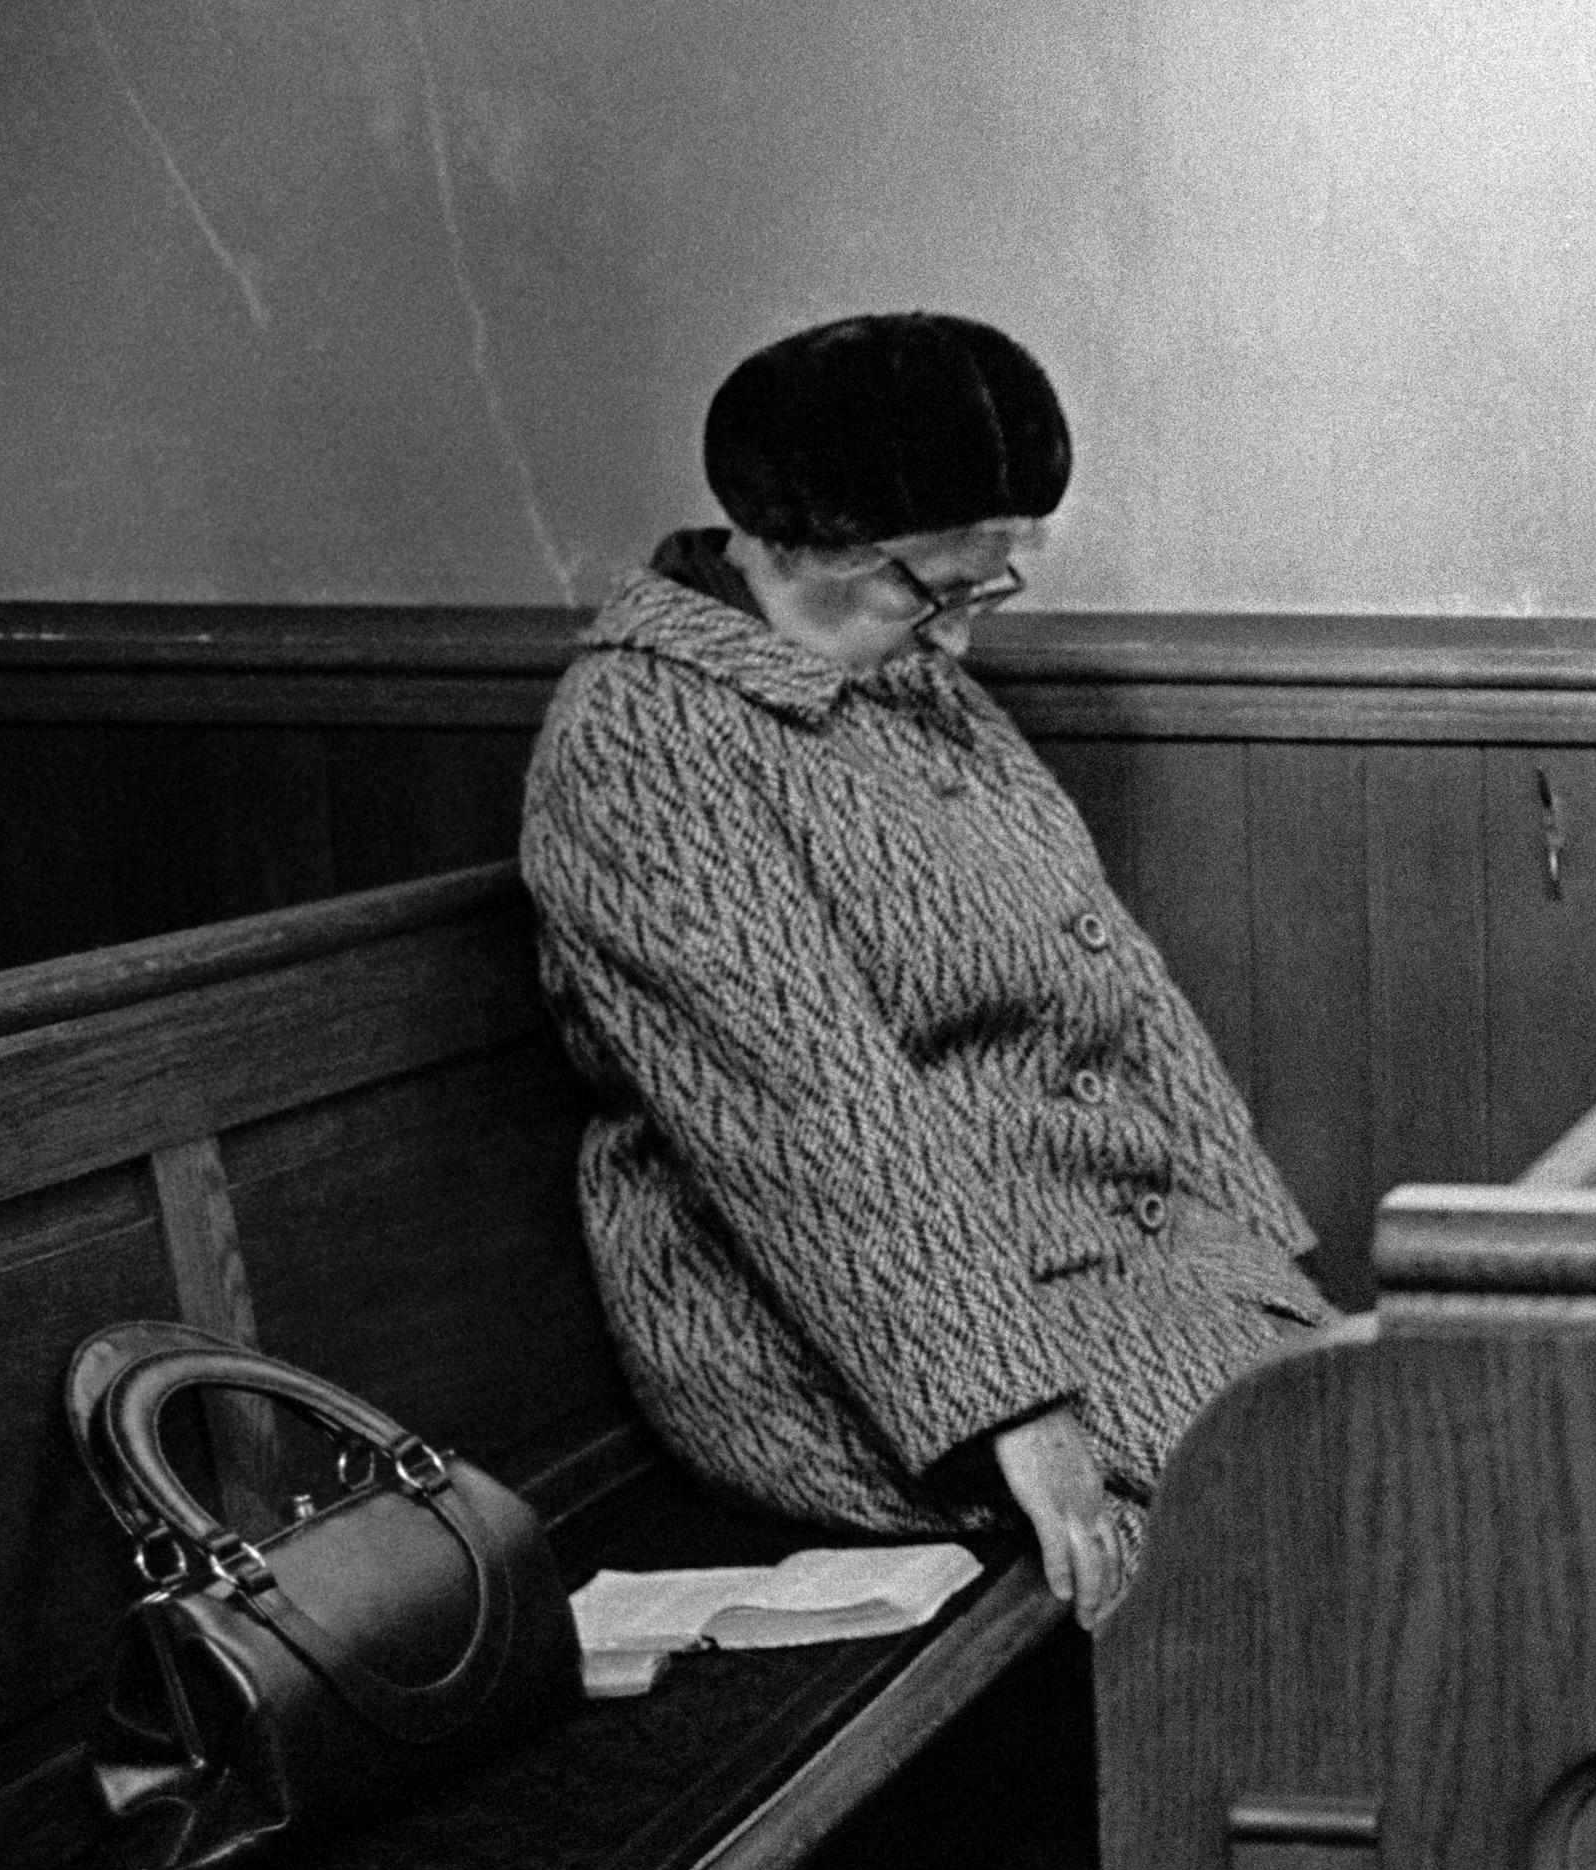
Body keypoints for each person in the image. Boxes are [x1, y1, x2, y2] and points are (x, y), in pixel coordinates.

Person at [521, 312, 1327, 1632]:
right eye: (929, 591)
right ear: (790, 545)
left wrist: (1257, 1254)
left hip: (1106, 1261)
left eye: (985, 588)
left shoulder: (903, 675)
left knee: (1402, 1444)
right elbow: (810, 1120)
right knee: (1320, 1496)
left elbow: (1106, 965)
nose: (958, 638)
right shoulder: (643, 742)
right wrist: (1017, 1407)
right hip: (841, 1336)